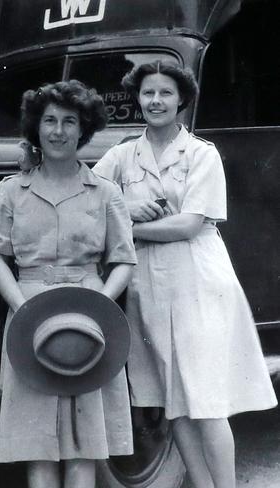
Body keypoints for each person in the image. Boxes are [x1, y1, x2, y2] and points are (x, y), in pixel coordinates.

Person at [93, 60, 277, 488]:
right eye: (148, 93)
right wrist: (123, 201)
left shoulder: (200, 154)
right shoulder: (122, 155)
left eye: (165, 93)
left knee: (205, 400)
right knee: (172, 402)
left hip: (197, 279)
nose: (155, 101)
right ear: (137, 99)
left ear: (182, 101)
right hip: (148, 286)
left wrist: (126, 225)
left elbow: (189, 223)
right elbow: (88, 196)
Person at [0, 80, 137, 488]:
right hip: (27, 311)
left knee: (85, 445)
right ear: (36, 127)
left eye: (70, 121)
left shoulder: (105, 192)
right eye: (49, 120)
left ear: (83, 130)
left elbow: (122, 260)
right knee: (37, 444)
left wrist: (100, 306)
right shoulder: (12, 190)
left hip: (91, 314)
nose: (58, 130)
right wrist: (22, 307)